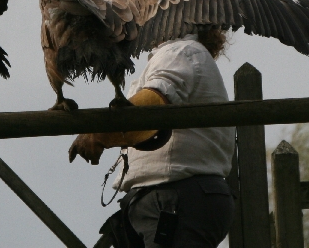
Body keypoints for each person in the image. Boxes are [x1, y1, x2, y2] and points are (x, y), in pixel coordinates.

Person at [68, 29, 235, 248]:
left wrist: (99, 135)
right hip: (170, 197)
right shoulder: (179, 52)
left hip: (176, 196)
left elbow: (153, 102)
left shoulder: (181, 51)